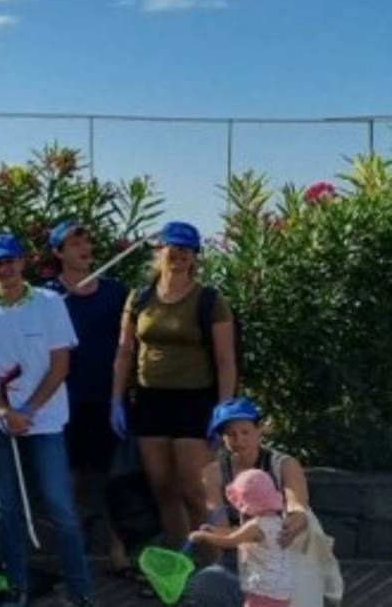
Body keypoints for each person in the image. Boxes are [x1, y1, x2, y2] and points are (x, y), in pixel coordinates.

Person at [0, 233, 91, 607]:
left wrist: (28, 411)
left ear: (22, 263)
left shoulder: (49, 303)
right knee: (6, 507)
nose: (6, 268)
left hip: (44, 420)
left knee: (59, 505)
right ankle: (16, 587)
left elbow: (60, 365)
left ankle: (80, 591)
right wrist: (3, 411)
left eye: (11, 260)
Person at [111, 221, 236, 549]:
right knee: (163, 490)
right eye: (174, 247)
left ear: (195, 257)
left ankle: (211, 572)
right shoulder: (139, 298)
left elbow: (225, 359)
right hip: (150, 400)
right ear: (159, 250)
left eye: (187, 249)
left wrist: (223, 410)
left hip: (193, 402)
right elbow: (124, 352)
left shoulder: (209, 300)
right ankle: (176, 571)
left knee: (195, 493)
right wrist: (116, 401)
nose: (179, 254)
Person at [185, 398, 342, 607]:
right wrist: (212, 533)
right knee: (200, 586)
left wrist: (295, 519)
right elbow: (223, 531)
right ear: (222, 437)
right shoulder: (212, 474)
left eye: (245, 431)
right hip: (244, 562)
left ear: (259, 430)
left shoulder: (285, 464)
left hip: (289, 555)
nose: (239, 439)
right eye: (231, 434)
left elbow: (297, 504)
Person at [41, 221, 132, 577]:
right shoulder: (46, 297)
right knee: (70, 482)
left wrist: (119, 399)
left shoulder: (114, 292)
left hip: (107, 402)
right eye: (74, 244)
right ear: (58, 252)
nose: (84, 249)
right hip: (62, 403)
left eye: (87, 242)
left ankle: (118, 551)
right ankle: (71, 556)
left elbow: (128, 346)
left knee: (111, 481)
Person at [190, 469, 293, 607]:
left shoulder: (256, 525)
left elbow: (230, 541)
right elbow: (238, 533)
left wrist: (204, 536)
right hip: (280, 590)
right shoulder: (274, 520)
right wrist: (214, 531)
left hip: (262, 589)